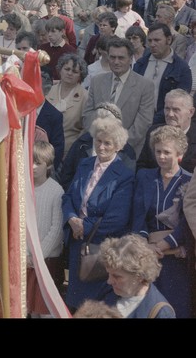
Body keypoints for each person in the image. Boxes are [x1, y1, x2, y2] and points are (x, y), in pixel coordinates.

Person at [61, 115, 134, 310]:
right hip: (77, 244)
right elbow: (68, 197)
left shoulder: (124, 175)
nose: (101, 147)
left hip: (100, 250)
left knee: (96, 306)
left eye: (107, 143)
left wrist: (83, 226)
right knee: (74, 303)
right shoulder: (85, 164)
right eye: (98, 141)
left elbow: (117, 219)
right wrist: (71, 218)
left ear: (118, 146)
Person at [131, 124, 192, 318]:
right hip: (148, 254)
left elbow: (187, 221)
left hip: (176, 257)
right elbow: (138, 215)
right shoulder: (145, 177)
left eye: (167, 152)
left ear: (179, 153)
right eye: (158, 151)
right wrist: (146, 246)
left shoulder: (189, 181)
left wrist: (164, 245)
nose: (162, 156)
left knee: (175, 307)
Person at [82, 36, 155, 155]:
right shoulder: (97, 81)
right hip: (96, 148)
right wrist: (99, 139)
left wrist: (116, 144)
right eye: (112, 57)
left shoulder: (145, 86)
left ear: (131, 59)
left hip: (126, 151)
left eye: (121, 58)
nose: (116, 62)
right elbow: (88, 114)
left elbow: (143, 123)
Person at [27, 141, 64, 316]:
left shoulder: (56, 191)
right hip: (26, 260)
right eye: (30, 162)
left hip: (46, 261)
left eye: (38, 163)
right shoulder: (24, 189)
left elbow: (56, 231)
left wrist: (37, 257)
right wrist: (25, 256)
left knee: (45, 309)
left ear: (48, 165)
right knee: (29, 308)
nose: (33, 167)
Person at [99, 234, 176, 318]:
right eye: (109, 274)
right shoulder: (107, 291)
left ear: (139, 276)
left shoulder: (161, 313)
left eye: (117, 276)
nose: (109, 281)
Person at [45, 53, 88, 155]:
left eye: (75, 71)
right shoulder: (48, 90)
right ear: (60, 70)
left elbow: (85, 128)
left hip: (70, 152)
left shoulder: (86, 97)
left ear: (80, 76)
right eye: (67, 69)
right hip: (44, 150)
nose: (70, 73)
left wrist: (75, 149)